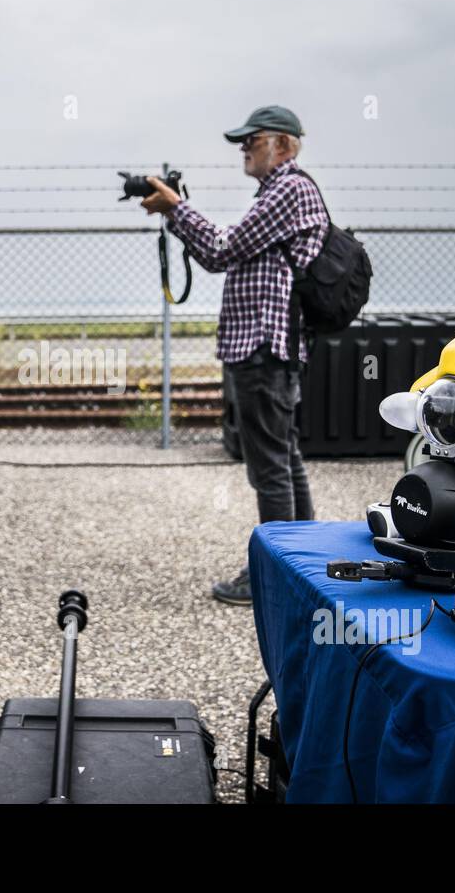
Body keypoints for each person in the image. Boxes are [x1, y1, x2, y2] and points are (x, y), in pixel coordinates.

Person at [141, 106, 327, 605]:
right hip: (268, 346)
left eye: (253, 140)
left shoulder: (289, 189)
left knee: (269, 466)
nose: (244, 148)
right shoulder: (279, 193)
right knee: (283, 459)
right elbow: (223, 253)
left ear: (284, 146)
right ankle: (302, 567)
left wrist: (176, 209)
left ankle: (276, 579)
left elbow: (222, 248)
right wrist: (177, 214)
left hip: (264, 348)